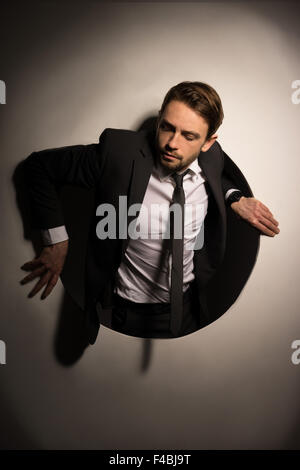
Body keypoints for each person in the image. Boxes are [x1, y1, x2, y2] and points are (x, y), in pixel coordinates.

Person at [20, 81, 280, 344]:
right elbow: (38, 167)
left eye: (188, 136)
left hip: (188, 307)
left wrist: (233, 197)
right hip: (125, 312)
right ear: (159, 120)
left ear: (208, 143)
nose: (172, 144)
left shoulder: (212, 158)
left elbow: (218, 177)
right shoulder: (118, 153)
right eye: (167, 127)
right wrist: (57, 241)